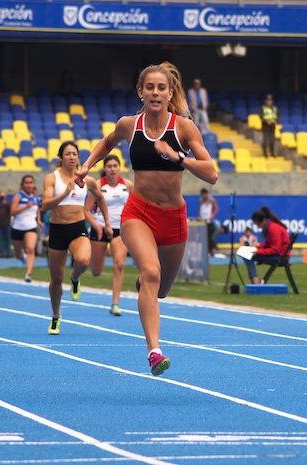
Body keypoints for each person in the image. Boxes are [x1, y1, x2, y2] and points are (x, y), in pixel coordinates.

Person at [74, 61, 218, 376]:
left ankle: (145, 285)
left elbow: (212, 174)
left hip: (174, 218)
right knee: (151, 272)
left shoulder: (183, 127)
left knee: (160, 288)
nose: (155, 92)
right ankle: (154, 351)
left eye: (161, 88)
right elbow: (107, 142)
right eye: (149, 87)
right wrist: (86, 165)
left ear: (169, 93)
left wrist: (179, 157)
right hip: (138, 212)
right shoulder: (129, 124)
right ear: (141, 92)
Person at [41, 141, 112, 335]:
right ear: (61, 158)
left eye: (75, 154)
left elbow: (100, 199)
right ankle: (56, 316)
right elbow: (45, 205)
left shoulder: (87, 180)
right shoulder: (51, 178)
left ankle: (74, 278)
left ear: (79, 158)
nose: (72, 157)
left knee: (83, 260)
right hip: (57, 230)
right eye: (68, 154)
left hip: (77, 227)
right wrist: (65, 191)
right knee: (55, 280)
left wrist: (106, 222)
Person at [84, 155, 133, 317]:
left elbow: (135, 206)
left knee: (119, 264)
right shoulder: (97, 185)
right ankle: (99, 256)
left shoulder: (127, 185)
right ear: (105, 169)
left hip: (120, 229)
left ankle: (115, 303)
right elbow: (87, 210)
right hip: (100, 228)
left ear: (119, 167)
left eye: (115, 166)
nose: (112, 169)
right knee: (96, 271)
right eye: (109, 166)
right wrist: (98, 226)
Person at [242, 206, 290, 284]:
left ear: (263, 220)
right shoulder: (270, 227)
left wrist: (258, 251)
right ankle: (255, 280)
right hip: (278, 254)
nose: (257, 226)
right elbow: (268, 245)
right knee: (245, 252)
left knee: (246, 254)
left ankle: (255, 281)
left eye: (257, 223)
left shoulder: (273, 229)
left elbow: (275, 249)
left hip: (280, 257)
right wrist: (256, 247)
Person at [11, 175, 42, 282]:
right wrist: (26, 207)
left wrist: (39, 221)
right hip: (18, 227)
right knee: (18, 255)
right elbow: (12, 211)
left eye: (30, 183)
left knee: (30, 249)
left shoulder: (36, 198)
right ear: (23, 185)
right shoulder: (18, 196)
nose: (29, 185)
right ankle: (21, 257)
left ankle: (28, 274)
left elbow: (37, 210)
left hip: (31, 227)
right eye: (27, 183)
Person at [199, 188, 220, 255]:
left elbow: (216, 209)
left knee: (209, 236)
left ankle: (210, 250)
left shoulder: (211, 200)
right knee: (204, 236)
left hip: (209, 220)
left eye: (205, 194)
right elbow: (200, 209)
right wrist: (200, 216)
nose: (204, 196)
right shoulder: (200, 201)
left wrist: (212, 216)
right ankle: (205, 250)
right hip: (203, 220)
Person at [0, 192, 12, 258]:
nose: (2, 198)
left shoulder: (8, 205)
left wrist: (6, 204)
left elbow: (12, 211)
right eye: (1, 196)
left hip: (7, 224)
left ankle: (8, 252)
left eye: (3, 196)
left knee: (8, 240)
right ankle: (0, 253)